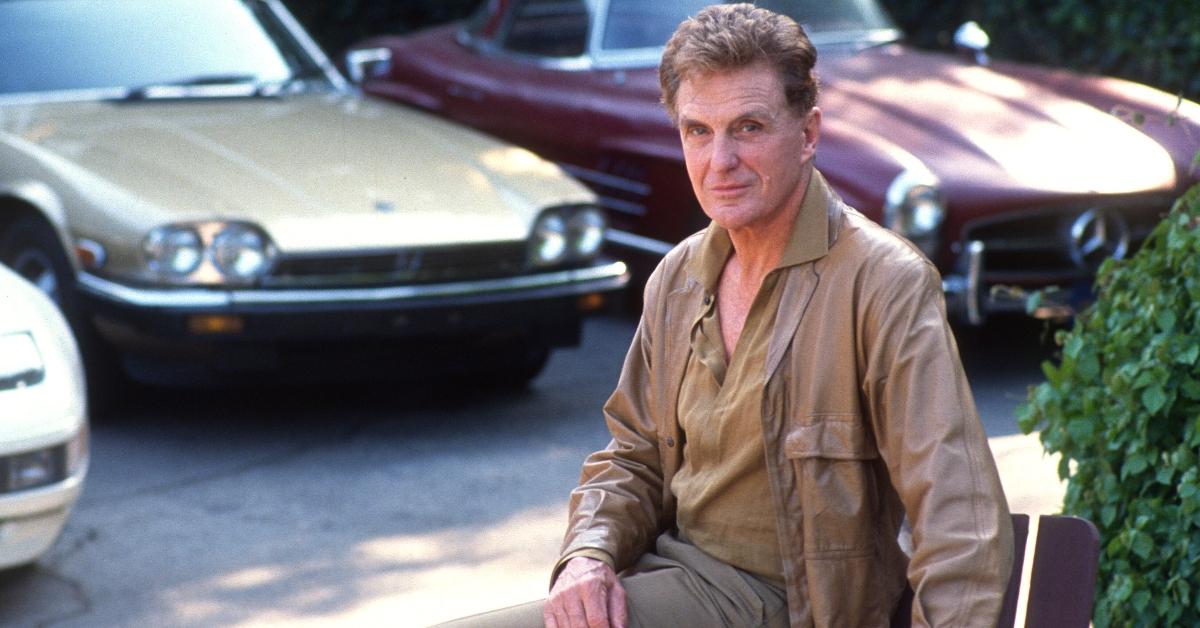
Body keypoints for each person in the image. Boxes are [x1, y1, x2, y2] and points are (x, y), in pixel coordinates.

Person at [445, 4, 1012, 627]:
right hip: (673, 578)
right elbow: (633, 456)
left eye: (747, 127)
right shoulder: (679, 276)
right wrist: (587, 553)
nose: (720, 162)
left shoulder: (883, 282)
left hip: (794, 609)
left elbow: (959, 516)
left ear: (809, 133)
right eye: (697, 131)